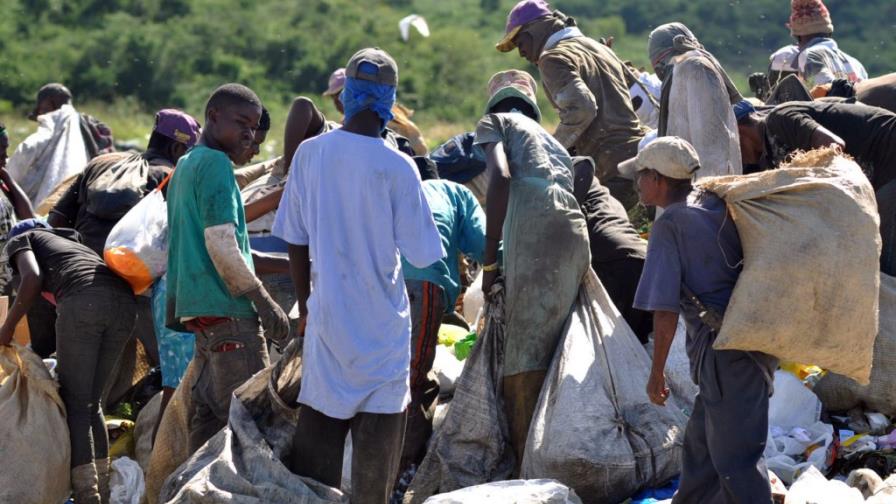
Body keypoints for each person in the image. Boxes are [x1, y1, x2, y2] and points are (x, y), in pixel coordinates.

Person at [277, 48, 443, 503]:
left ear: (346, 95)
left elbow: (295, 239)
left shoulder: (310, 154)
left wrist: (306, 307)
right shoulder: (398, 166)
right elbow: (423, 253)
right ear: (390, 101)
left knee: (318, 460)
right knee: (375, 466)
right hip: (382, 332)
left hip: (328, 322)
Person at [621, 137, 776, 504]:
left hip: (725, 355)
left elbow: (665, 311)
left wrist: (657, 373)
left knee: (737, 462)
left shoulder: (670, 224)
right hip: (746, 344)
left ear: (658, 179)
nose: (637, 184)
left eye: (641, 175)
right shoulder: (712, 203)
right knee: (702, 448)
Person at [474, 69, 590, 470]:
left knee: (523, 353)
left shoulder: (494, 123)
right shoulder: (551, 141)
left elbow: (501, 178)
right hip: (573, 234)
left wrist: (490, 262)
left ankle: (528, 469)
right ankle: (563, 453)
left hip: (535, 235)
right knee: (558, 344)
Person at [165, 83, 289, 453]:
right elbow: (221, 244)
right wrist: (265, 303)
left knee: (207, 427)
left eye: (253, 128)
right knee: (251, 428)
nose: (248, 135)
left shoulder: (187, 164)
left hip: (202, 316)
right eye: (241, 123)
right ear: (213, 116)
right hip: (230, 315)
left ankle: (188, 484)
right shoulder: (216, 165)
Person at [0, 219, 137, 504]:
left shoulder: (22, 239)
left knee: (75, 402)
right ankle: (102, 490)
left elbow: (32, 278)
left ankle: (87, 495)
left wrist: (7, 328)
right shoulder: (71, 246)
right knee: (92, 403)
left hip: (85, 303)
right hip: (125, 306)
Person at [495, 0, 644, 208]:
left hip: (611, 169)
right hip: (639, 159)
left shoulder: (553, 58)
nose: (521, 53)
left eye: (520, 43)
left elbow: (581, 109)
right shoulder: (598, 47)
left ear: (534, 32)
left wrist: (546, 153)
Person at [735, 99, 896, 275]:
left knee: (882, 261)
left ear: (739, 132)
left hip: (890, 155)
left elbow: (833, 146)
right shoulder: (767, 158)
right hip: (881, 173)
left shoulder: (779, 119)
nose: (737, 158)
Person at [399, 157, 486, 474]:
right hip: (422, 285)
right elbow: (484, 244)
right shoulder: (453, 192)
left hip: (377, 283)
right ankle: (405, 468)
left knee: (384, 376)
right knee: (414, 381)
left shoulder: (390, 187)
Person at [647, 23, 743, 178]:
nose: (657, 71)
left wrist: (706, 189)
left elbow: (712, 146)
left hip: (708, 186)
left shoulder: (695, 68)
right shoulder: (680, 71)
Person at [573, 156, 652, 343]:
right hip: (645, 262)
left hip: (618, 264)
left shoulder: (577, 183)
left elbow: (583, 163)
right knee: (637, 346)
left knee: (613, 345)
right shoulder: (610, 202)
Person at [7, 84, 93, 208]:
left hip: (45, 204)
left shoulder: (54, 121)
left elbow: (27, 150)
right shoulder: (87, 127)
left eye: (41, 107)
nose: (40, 112)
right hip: (80, 202)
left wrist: (8, 176)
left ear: (50, 101)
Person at [323, 67, 429, 155]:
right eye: (333, 97)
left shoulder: (383, 119)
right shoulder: (346, 123)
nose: (337, 101)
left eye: (341, 93)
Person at [787, 0, 867, 88]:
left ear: (798, 36)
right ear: (829, 31)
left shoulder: (811, 56)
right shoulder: (856, 64)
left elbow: (826, 92)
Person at [0, 122, 36, 295]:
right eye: (1, 149)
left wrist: (8, 179)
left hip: (8, 274)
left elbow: (29, 217)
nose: (6, 156)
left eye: (6, 148)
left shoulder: (3, 183)